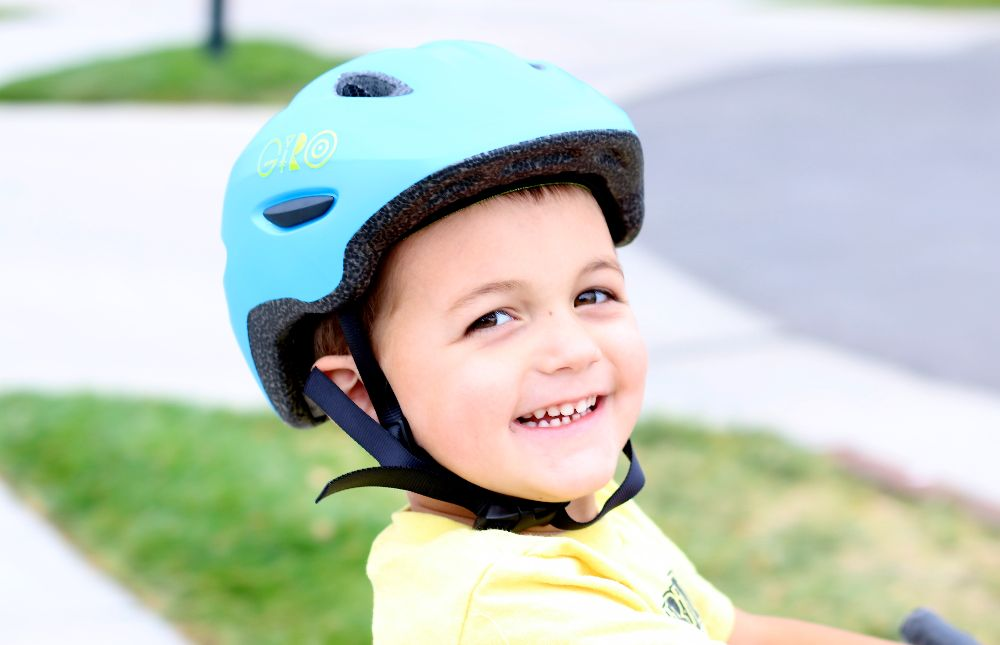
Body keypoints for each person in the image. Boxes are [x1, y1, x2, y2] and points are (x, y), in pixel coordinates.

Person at [222, 40, 897, 644]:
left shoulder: (580, 512)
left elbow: (736, 631)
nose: (572, 349)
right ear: (366, 396)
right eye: (492, 318)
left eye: (591, 296)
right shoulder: (502, 604)